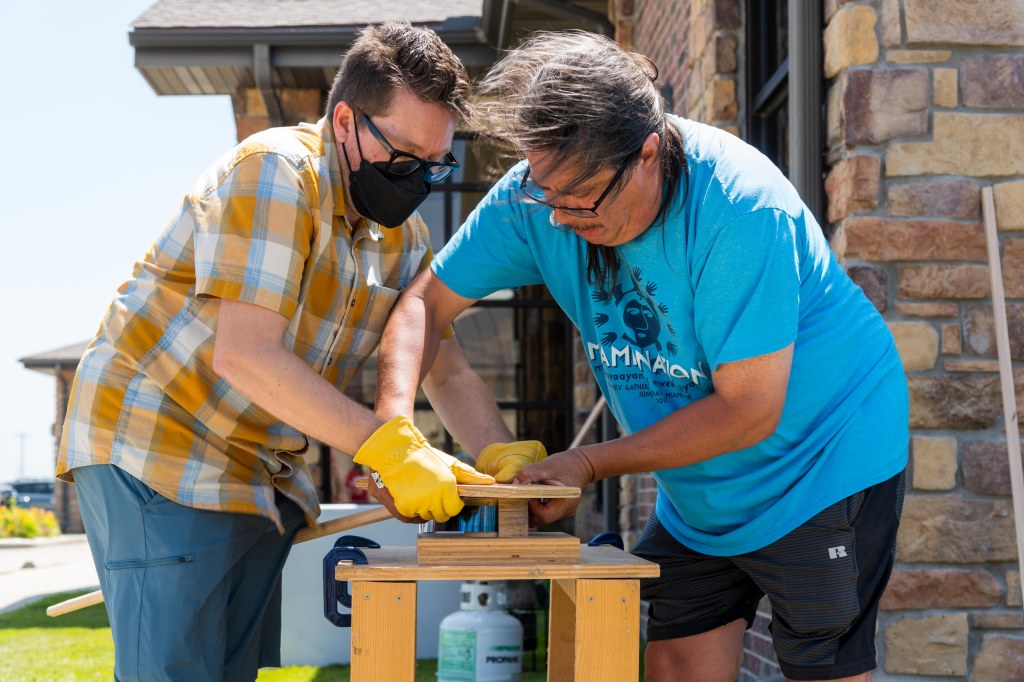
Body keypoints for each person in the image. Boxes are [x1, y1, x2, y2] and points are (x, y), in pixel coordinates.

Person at [374, 30, 908, 682]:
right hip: (701, 492)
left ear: (648, 153)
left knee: (822, 669)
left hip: (821, 460)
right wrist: (392, 435)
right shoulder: (536, 196)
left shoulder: (740, 209)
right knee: (677, 665)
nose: (562, 218)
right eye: (548, 194)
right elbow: (422, 307)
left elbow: (748, 410)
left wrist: (589, 463)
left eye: (582, 198)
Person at [56, 22, 530, 681]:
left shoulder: (403, 237)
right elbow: (246, 357)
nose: (418, 179)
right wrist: (391, 450)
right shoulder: (277, 171)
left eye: (434, 164)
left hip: (258, 468)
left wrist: (500, 459)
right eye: (403, 158)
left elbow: (444, 368)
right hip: (159, 446)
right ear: (344, 121)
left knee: (230, 671)